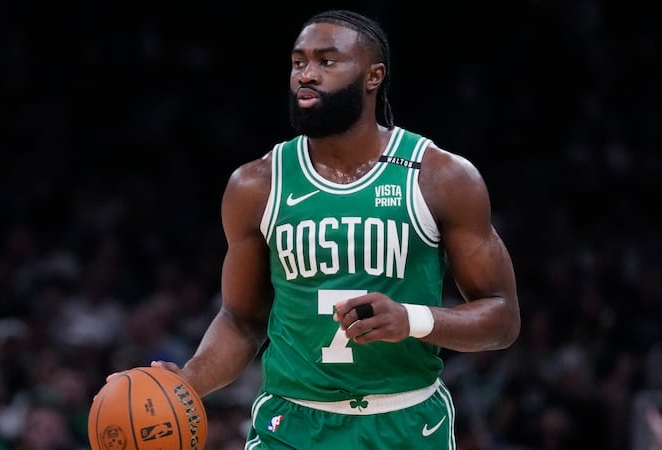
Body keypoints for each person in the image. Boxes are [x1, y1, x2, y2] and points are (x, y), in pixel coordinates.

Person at [113, 9, 521, 449]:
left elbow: (502, 316)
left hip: (406, 422)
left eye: (327, 62)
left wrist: (413, 319)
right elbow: (242, 319)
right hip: (289, 425)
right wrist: (188, 381)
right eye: (298, 62)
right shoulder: (256, 184)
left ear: (373, 76)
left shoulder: (441, 176)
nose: (307, 75)